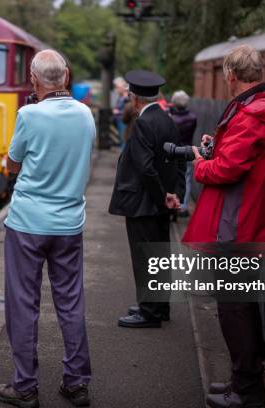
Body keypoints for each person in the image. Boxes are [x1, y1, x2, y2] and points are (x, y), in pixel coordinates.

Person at [182, 45, 265, 408]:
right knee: (240, 305)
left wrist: (199, 164)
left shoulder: (250, 115)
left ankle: (247, 391)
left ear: (231, 75)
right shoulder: (257, 110)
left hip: (238, 226)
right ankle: (243, 383)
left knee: (234, 308)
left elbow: (227, 170)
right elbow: (237, 157)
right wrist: (218, 144)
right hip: (245, 221)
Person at [0, 50, 95, 408]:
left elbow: (13, 164)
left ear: (33, 79)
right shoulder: (86, 115)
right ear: (66, 76)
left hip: (27, 225)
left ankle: (24, 387)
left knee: (23, 304)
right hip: (69, 224)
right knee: (70, 303)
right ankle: (76, 382)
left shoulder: (28, 114)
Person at [108, 69, 180, 328]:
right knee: (159, 254)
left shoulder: (142, 124)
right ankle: (160, 306)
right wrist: (172, 195)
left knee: (145, 257)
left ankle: (148, 312)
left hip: (144, 202)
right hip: (161, 202)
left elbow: (145, 167)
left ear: (135, 98)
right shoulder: (166, 120)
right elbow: (176, 162)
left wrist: (161, 196)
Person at [169, 90, 197, 218]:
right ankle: (183, 206)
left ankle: (173, 203)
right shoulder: (193, 117)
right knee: (187, 178)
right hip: (187, 150)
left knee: (172, 177)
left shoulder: (171, 118)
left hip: (174, 151)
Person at [112, 77, 130, 147]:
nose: (116, 89)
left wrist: (118, 112)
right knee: (122, 139)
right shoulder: (121, 96)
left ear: (122, 87)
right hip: (120, 120)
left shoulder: (127, 97)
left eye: (117, 87)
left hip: (124, 121)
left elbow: (129, 110)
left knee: (124, 140)